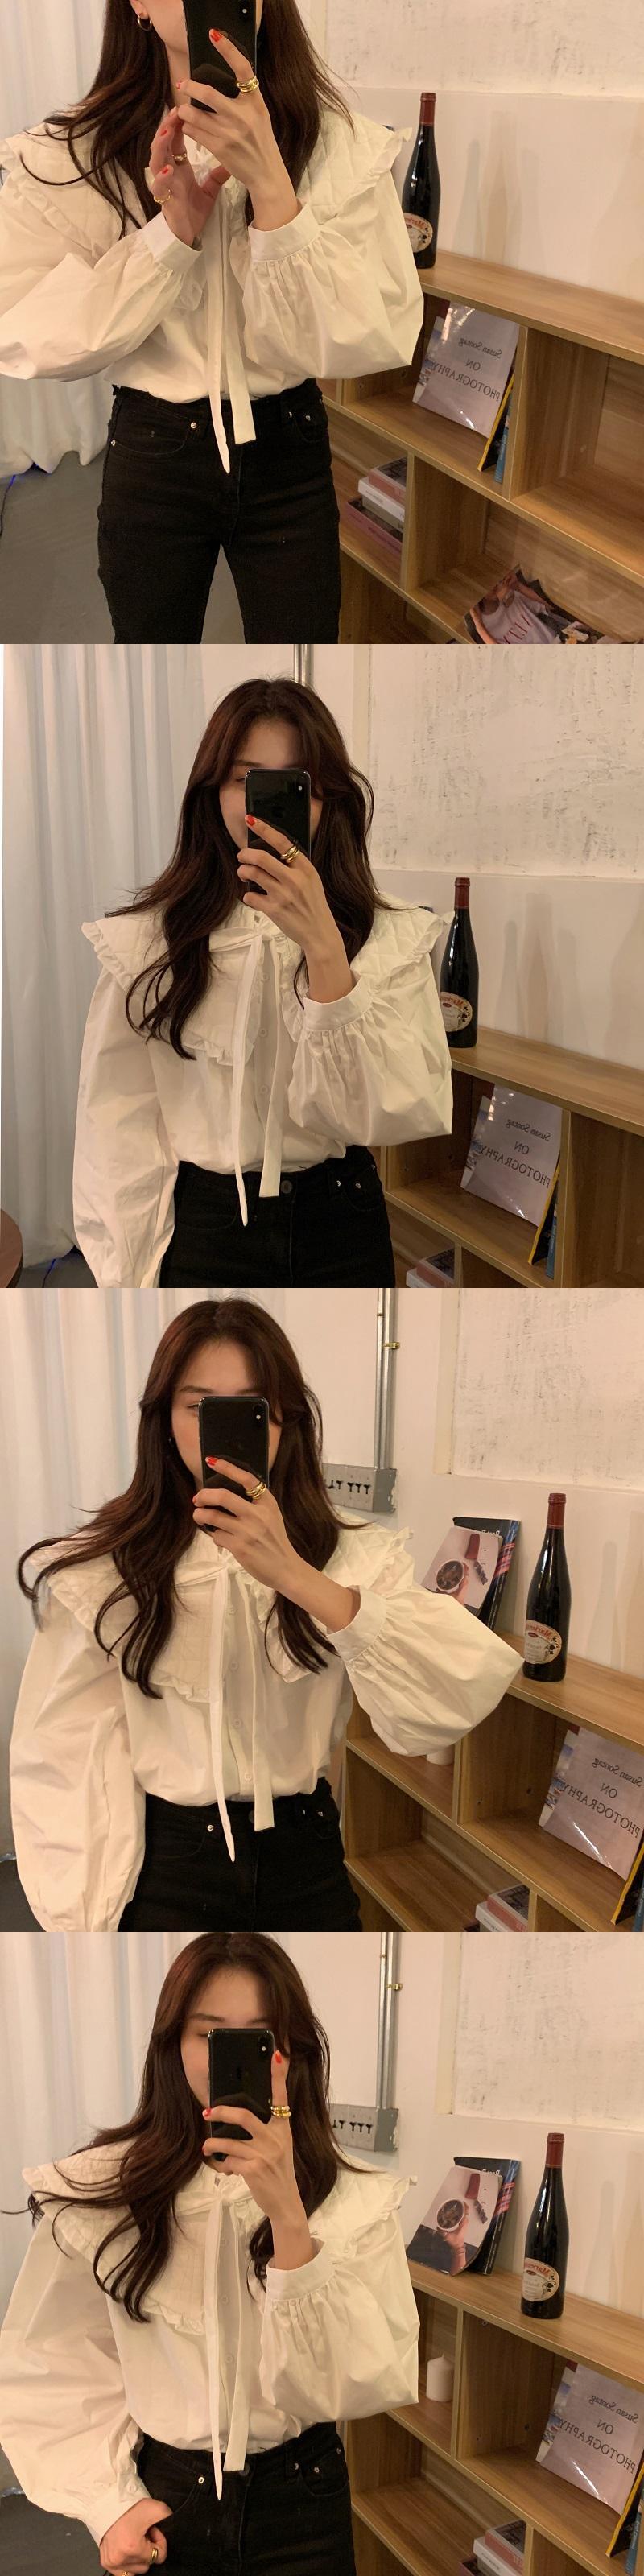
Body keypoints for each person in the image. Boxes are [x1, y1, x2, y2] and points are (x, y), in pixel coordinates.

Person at [10, 1298, 523, 1932]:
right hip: (164, 1863)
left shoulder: (354, 1554)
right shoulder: (107, 1569)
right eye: (199, 1407)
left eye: (251, 1409)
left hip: (306, 1855)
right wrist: (77, 1921)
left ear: (284, 1420)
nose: (221, 1430)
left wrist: (294, 1574)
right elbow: (62, 1751)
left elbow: (447, 1703)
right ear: (164, 1420)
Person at [0, 0, 424, 642]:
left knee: (302, 647)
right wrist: (167, 240)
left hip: (288, 447)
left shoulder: (338, 142)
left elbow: (376, 332)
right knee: (148, 647)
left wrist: (274, 191)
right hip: (154, 450)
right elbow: (25, 324)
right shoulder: (75, 155)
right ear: (137, 3)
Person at [0, 1932, 423, 2574]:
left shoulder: (356, 2200)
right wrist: (107, 2503)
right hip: (165, 2499)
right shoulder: (105, 2192)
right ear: (173, 2045)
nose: (233, 2057)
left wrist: (289, 2217)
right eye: (209, 2035)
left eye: (261, 2038)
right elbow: (55, 2358)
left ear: (293, 2052)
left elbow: (358, 2384)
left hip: (305, 2498)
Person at [72, 676, 453, 1289]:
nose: (266, 804)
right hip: (205, 1220)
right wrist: (124, 1277)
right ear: (211, 793)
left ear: (328, 798)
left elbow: (396, 1113)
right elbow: (117, 1123)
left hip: (343, 1217)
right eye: (246, 779)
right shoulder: (148, 944)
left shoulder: (391, 937)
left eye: (295, 785)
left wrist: (325, 950)